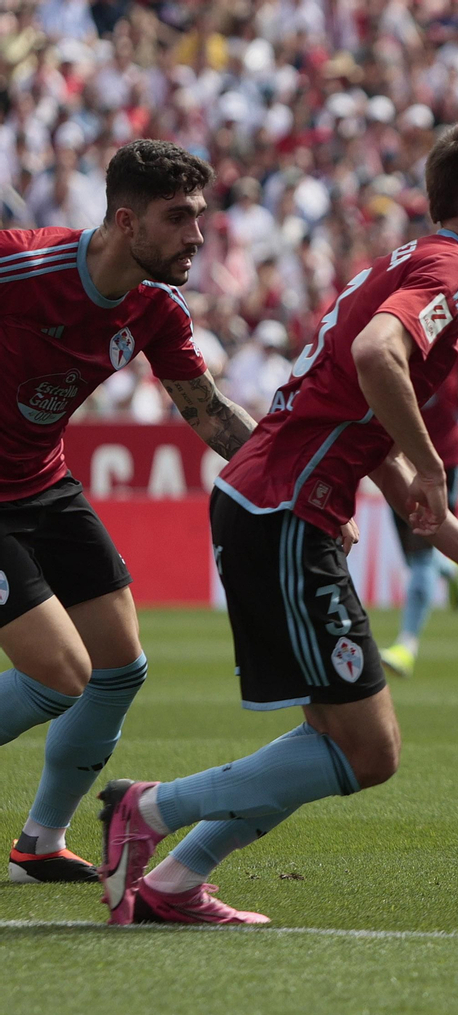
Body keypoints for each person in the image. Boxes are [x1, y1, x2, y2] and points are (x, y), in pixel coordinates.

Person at [95, 122, 458, 925]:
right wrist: (434, 464)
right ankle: (148, 807)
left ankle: (174, 882)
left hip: (275, 504)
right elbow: (378, 357)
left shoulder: (412, 261)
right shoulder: (455, 271)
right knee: (369, 750)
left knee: (328, 739)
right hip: (283, 509)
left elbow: (373, 439)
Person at [0, 139, 306, 884]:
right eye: (179, 218)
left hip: (43, 482)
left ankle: (41, 841)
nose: (197, 235)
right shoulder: (21, 265)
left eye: (200, 217)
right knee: (60, 674)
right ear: (126, 221)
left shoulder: (158, 308)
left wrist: (296, 479)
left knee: (119, 667)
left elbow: (208, 413)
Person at [379, 329, 458, 679]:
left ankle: (406, 645)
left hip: (445, 456)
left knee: (421, 550)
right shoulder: (391, 329)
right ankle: (450, 567)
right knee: (413, 556)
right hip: (400, 456)